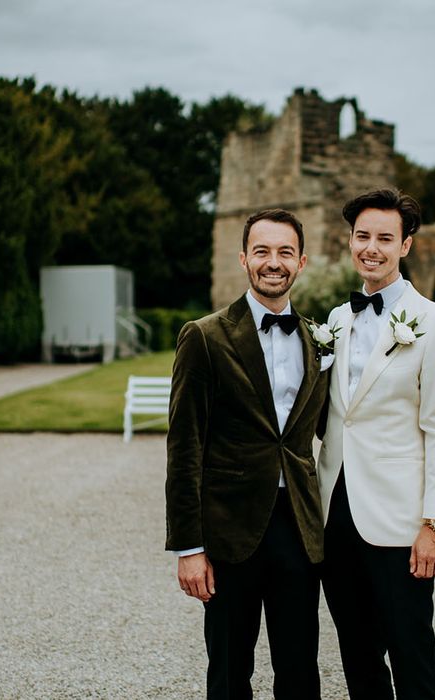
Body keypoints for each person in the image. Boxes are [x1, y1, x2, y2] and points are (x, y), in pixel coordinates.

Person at [165, 209, 330, 700]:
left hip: (299, 528)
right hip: (228, 530)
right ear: (244, 259)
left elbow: (339, 431)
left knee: (300, 670)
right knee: (230, 670)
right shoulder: (204, 336)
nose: (272, 262)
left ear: (302, 262)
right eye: (262, 251)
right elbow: (184, 446)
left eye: (284, 252)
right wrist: (189, 548)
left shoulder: (320, 339)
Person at [317, 188, 435, 700]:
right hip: (335, 513)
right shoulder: (336, 320)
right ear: (350, 241)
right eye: (362, 237)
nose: (371, 248)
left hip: (400, 521)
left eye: (385, 238)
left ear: (405, 246)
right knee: (358, 657)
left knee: (411, 654)